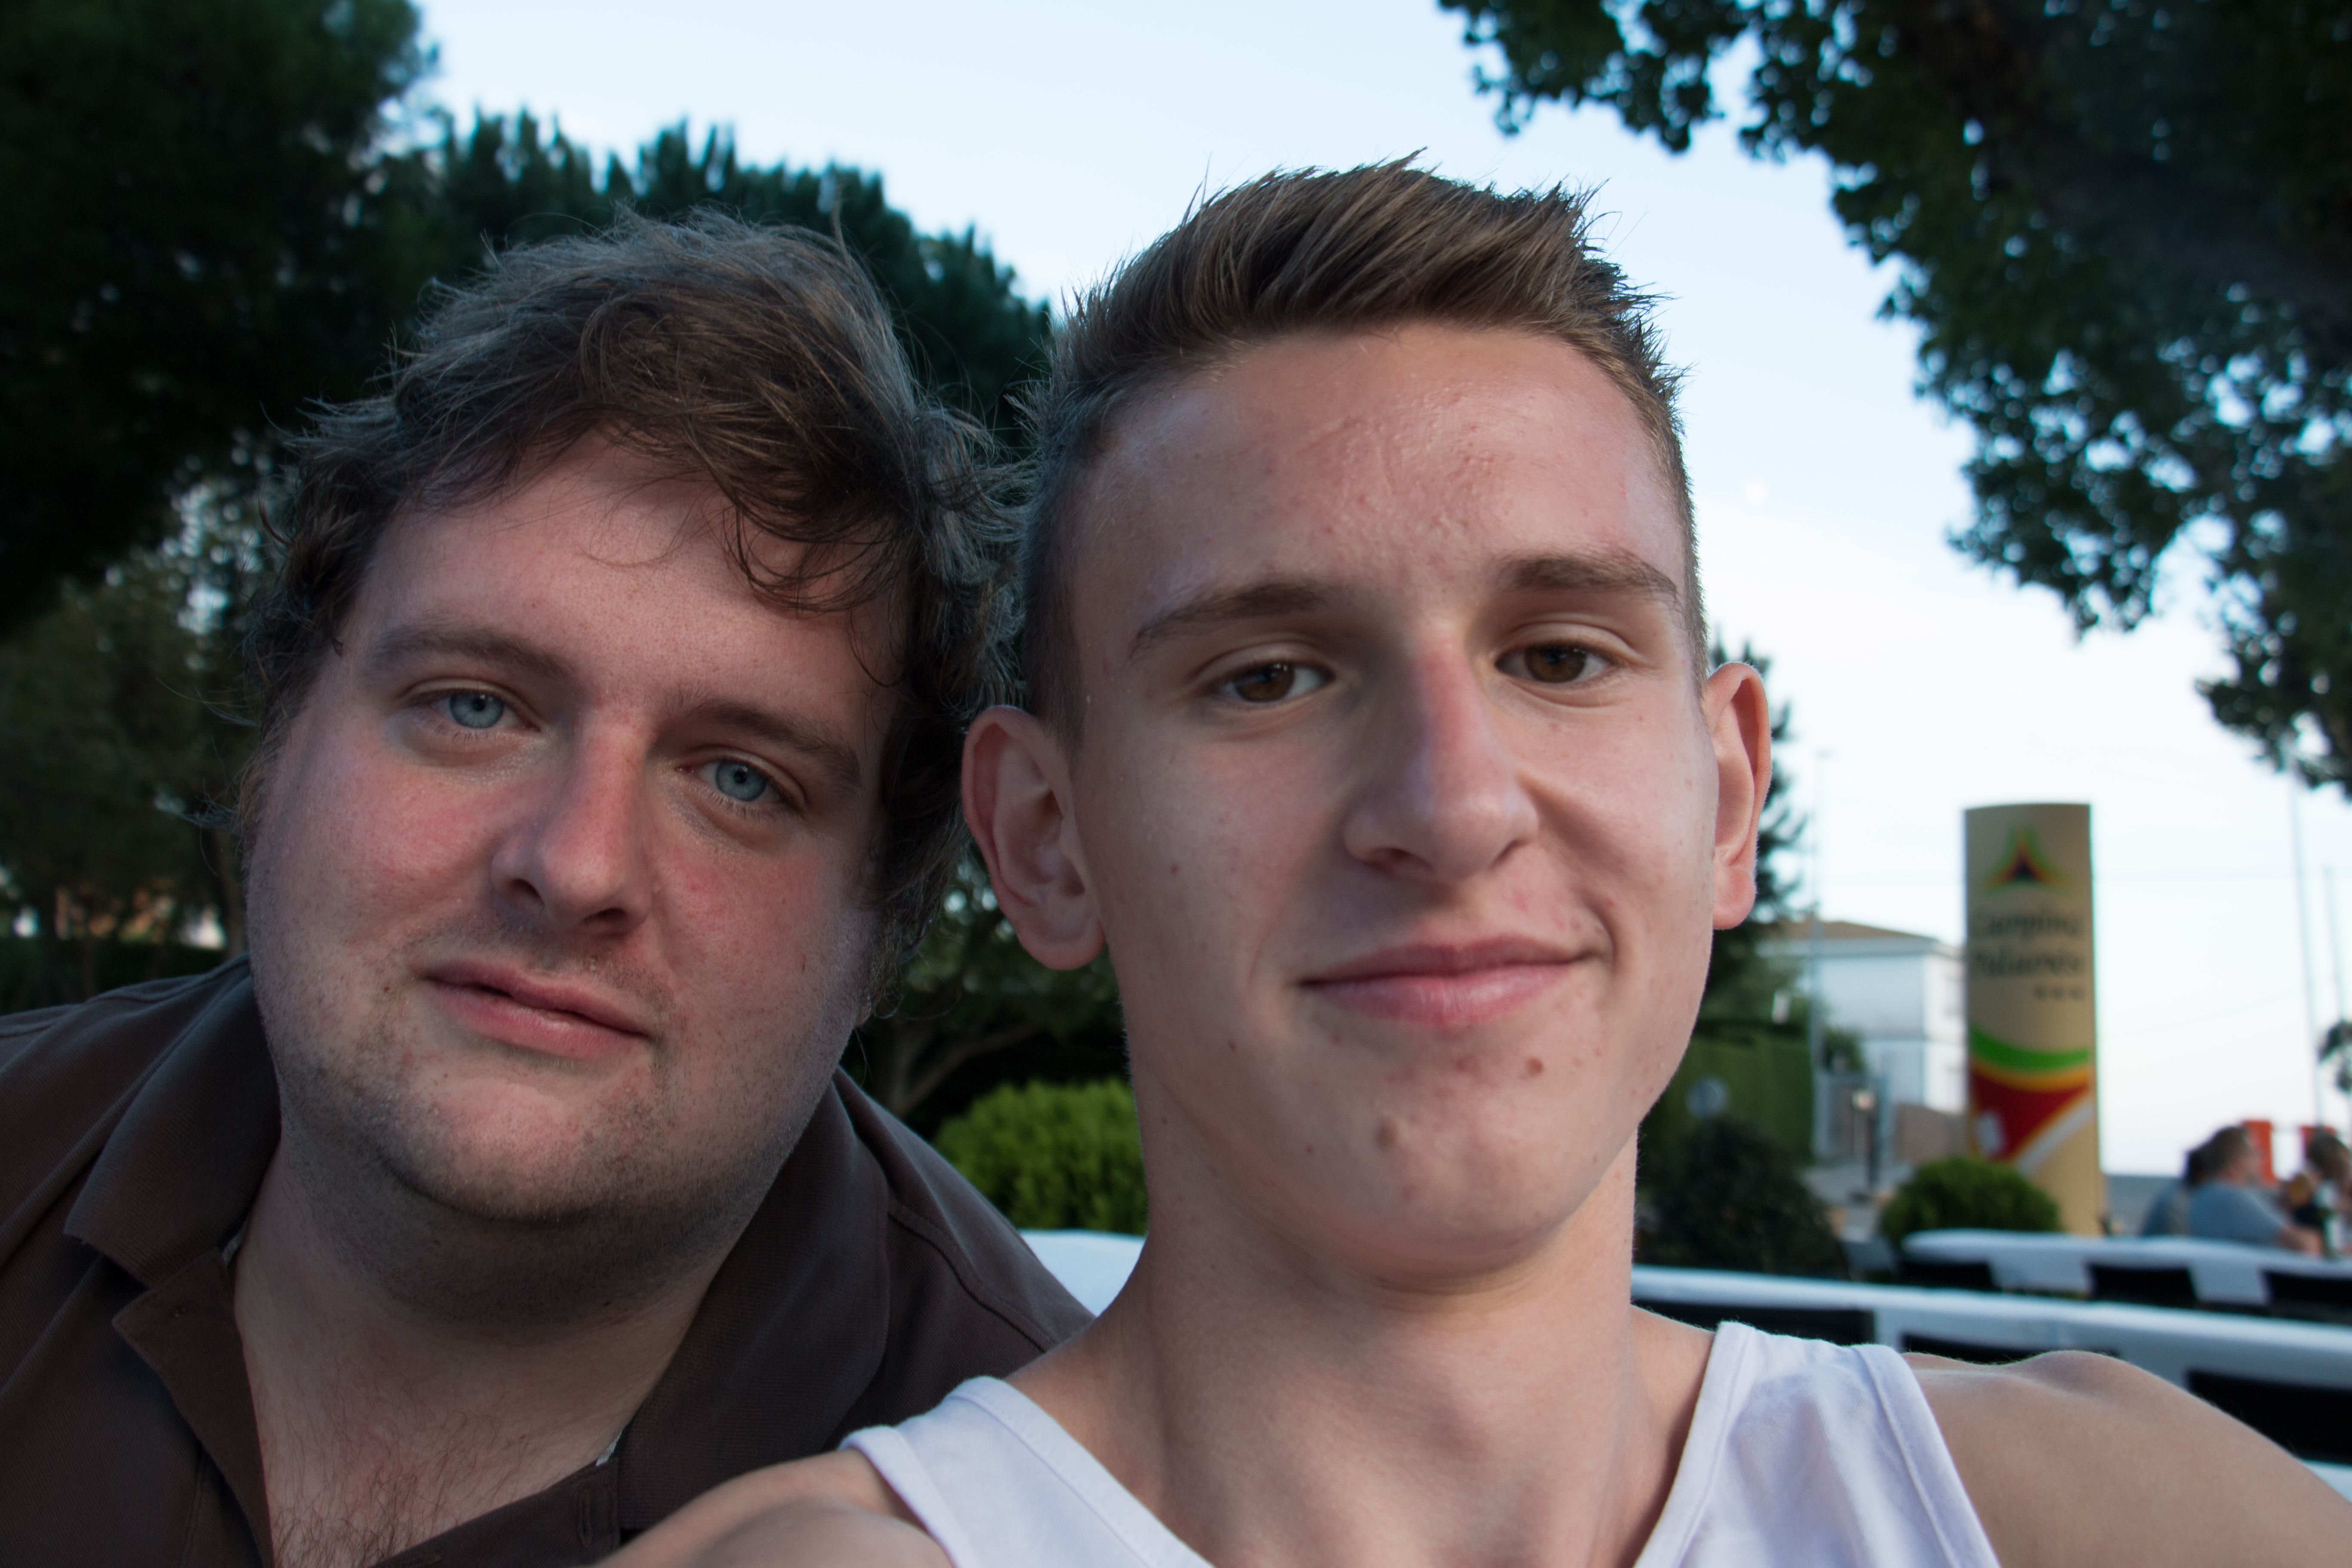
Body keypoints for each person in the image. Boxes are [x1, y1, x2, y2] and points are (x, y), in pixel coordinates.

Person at [616, 166, 2352, 1567]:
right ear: (1045, 845)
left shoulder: (2105, 1516)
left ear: (1726, 796)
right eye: (1269, 677)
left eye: (1561, 655)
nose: (1452, 806)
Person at [0, 214, 1089, 1567]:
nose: (573, 867)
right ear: (276, 749)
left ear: (886, 924)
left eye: (740, 780)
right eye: (476, 706)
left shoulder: (1051, 1521)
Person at [2188, 1124, 2325, 1254]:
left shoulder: (2204, 1196)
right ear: (2239, 1163)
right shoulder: (2232, 1198)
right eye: (2256, 1153)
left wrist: (2288, 1202)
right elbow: (2305, 1245)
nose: (2260, 1160)